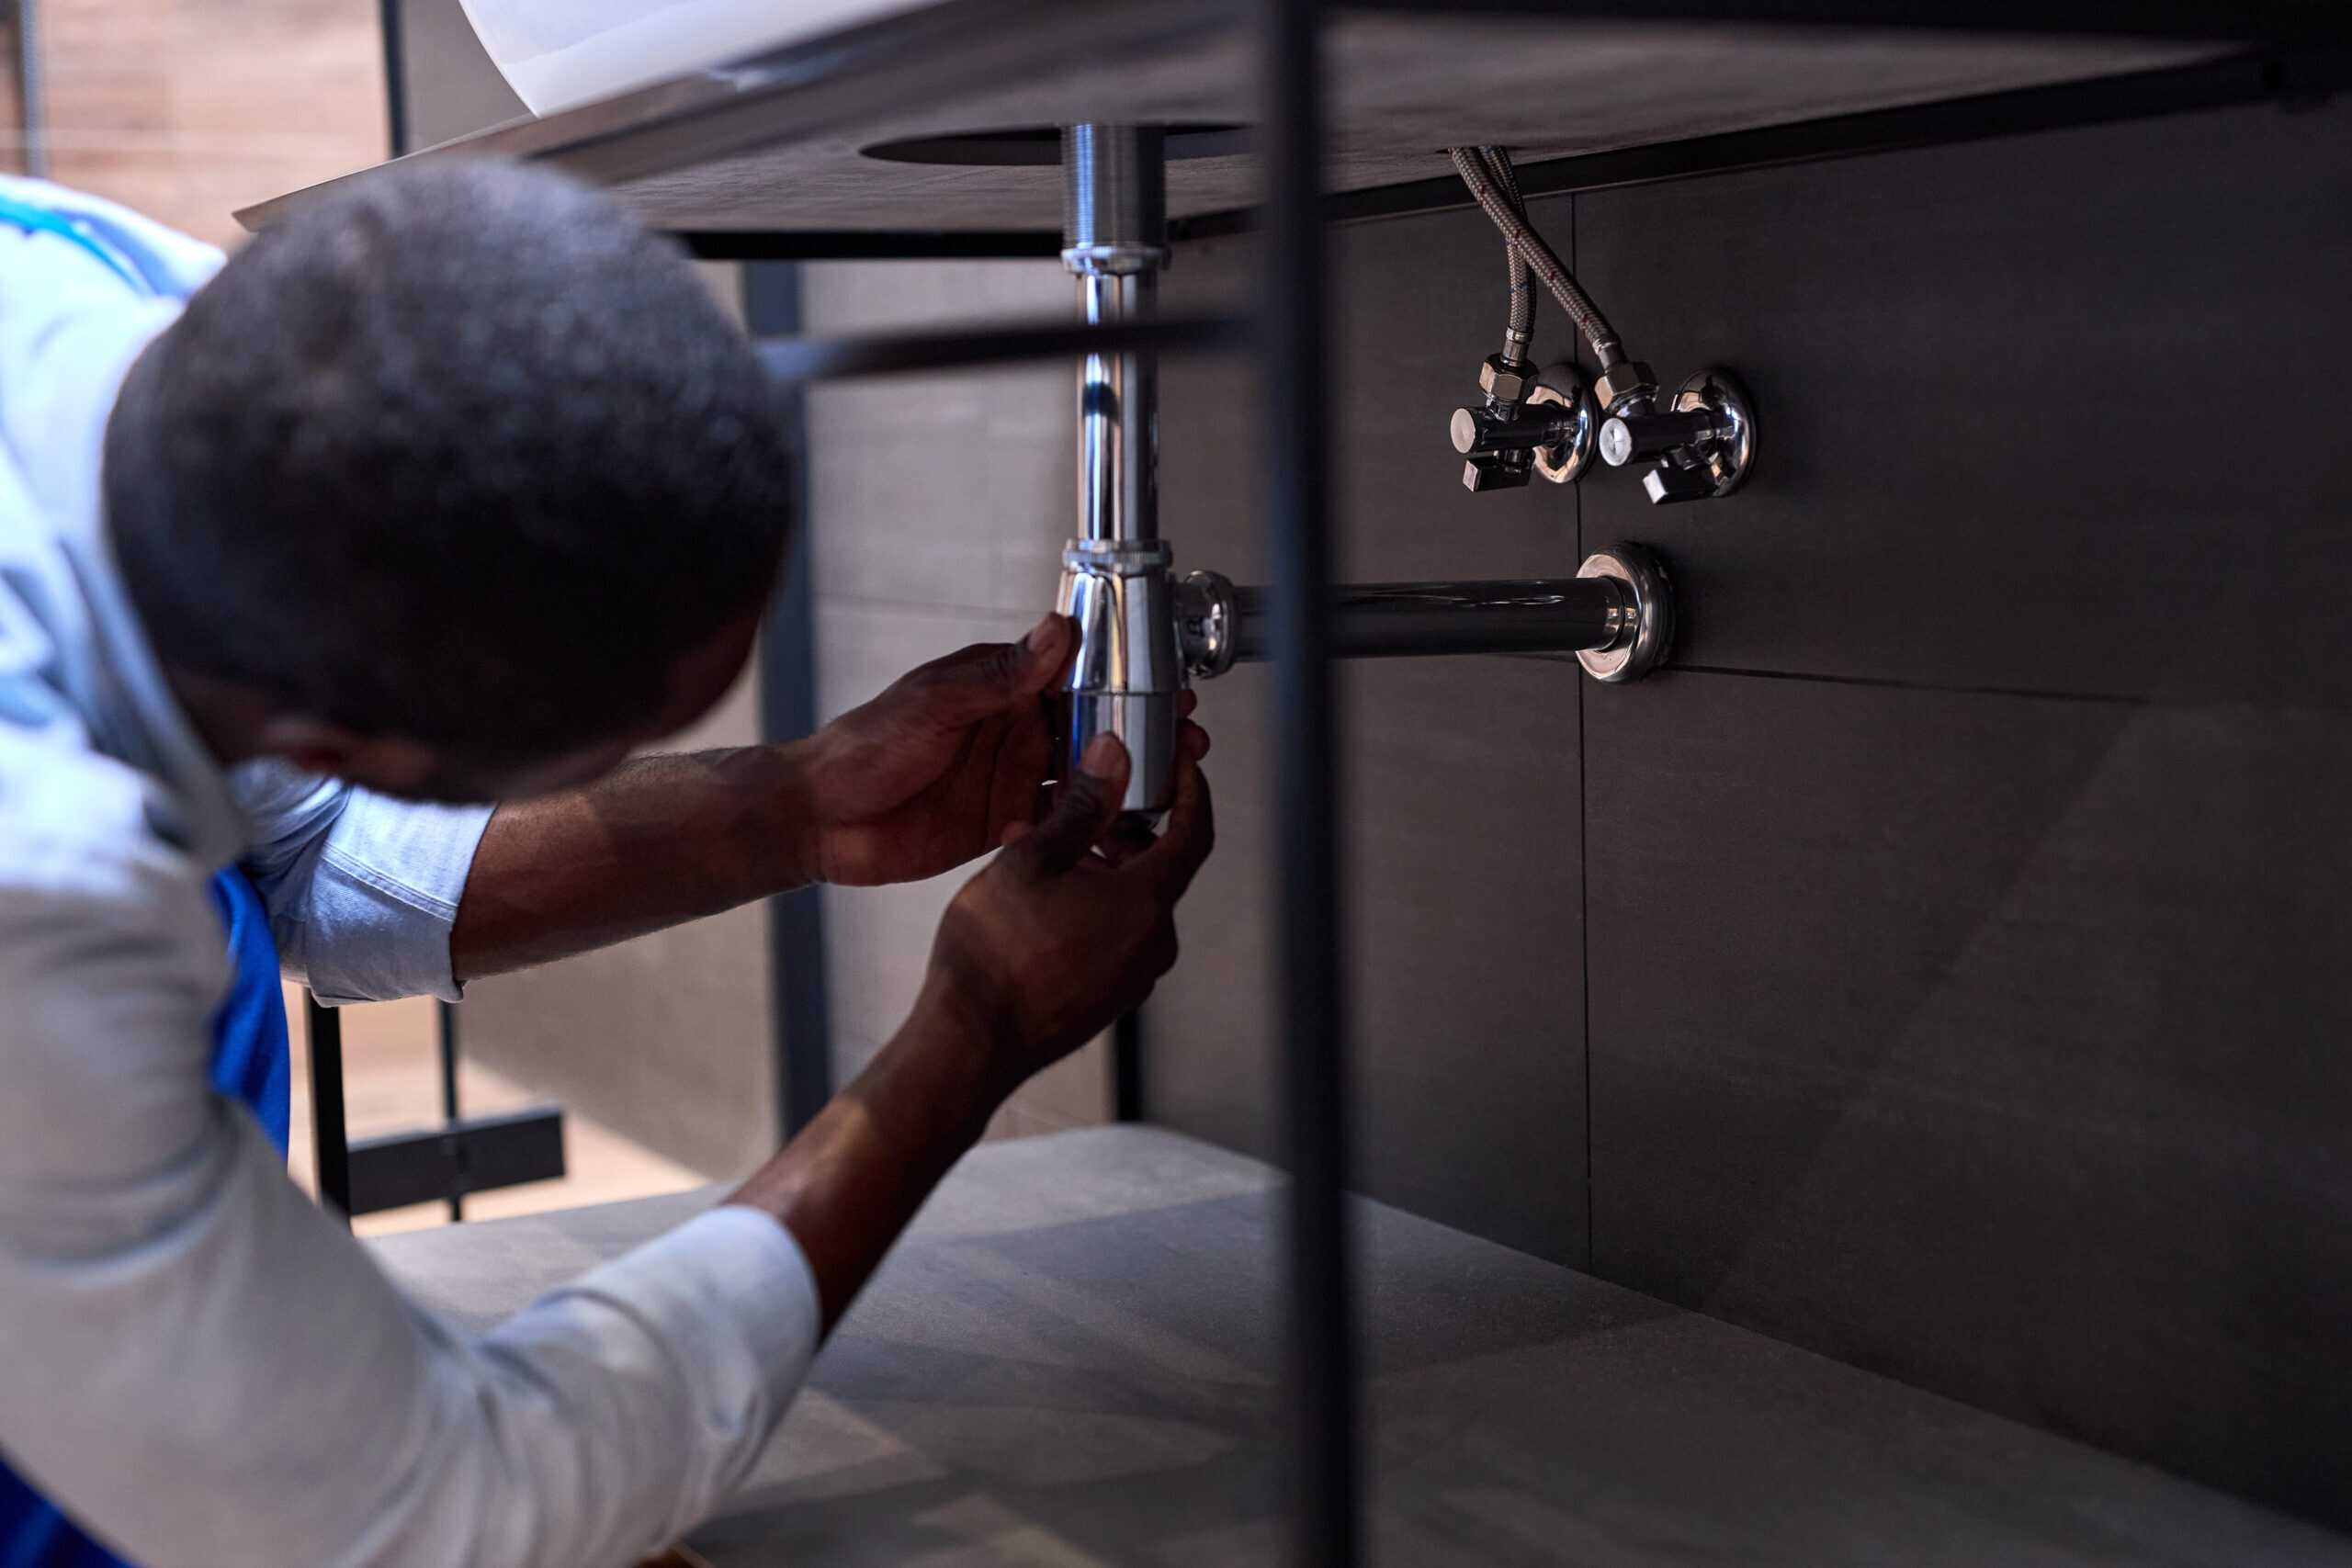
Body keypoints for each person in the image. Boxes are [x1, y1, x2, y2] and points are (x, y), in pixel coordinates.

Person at [0, 158, 1213, 1567]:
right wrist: (974, 1030)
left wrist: (797, 806)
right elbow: (444, 1512)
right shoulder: (36, 895)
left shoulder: (115, 300)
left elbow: (303, 835)